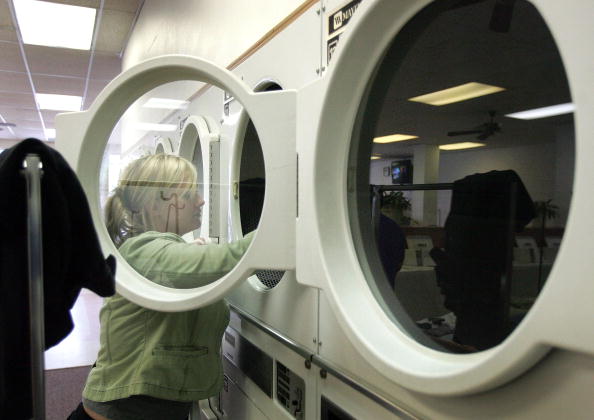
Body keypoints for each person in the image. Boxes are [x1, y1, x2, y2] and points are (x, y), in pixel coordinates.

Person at [68, 153, 254, 420]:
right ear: (157, 205)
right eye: (191, 194)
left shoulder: (153, 251)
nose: (201, 201)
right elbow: (227, 259)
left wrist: (187, 252)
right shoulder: (142, 250)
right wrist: (280, 229)